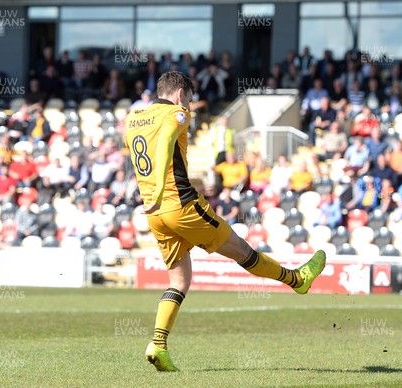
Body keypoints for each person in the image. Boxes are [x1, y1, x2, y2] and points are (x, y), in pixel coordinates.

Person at [125, 71, 326, 371]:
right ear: (181, 94)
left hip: (154, 214)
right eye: (190, 100)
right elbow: (167, 139)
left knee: (179, 281)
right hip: (181, 205)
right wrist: (158, 187)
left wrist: (151, 193)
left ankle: (158, 344)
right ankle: (296, 280)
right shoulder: (177, 113)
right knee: (243, 251)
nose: (190, 108)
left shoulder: (133, 118)